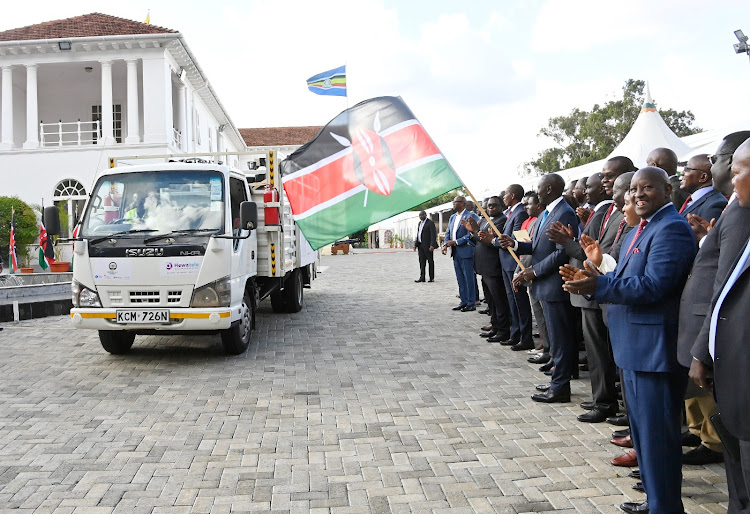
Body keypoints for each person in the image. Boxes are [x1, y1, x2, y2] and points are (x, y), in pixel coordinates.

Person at [562, 167, 697, 514]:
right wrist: (592, 275)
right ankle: (656, 501)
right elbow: (626, 276)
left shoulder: (671, 229)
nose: (638, 195)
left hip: (652, 352)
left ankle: (665, 507)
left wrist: (599, 287)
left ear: (668, 189)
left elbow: (655, 286)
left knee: (657, 439)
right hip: (634, 348)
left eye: (647, 187)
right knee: (646, 438)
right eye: (634, 189)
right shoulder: (644, 227)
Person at [690, 138, 750, 512]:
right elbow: (725, 291)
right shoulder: (739, 212)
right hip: (732, 366)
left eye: (739, 171)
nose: (731, 176)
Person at [499, 173, 579, 402]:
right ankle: (557, 380)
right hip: (546, 284)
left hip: (555, 284)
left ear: (550, 189)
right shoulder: (548, 212)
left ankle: (561, 387)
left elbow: (561, 251)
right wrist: (515, 244)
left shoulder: (564, 212)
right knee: (555, 337)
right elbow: (537, 245)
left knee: (561, 338)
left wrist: (534, 271)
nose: (536, 191)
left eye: (540, 187)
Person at [547, 172, 617, 423]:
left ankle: (605, 401)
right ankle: (602, 397)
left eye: (591, 186)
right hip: (589, 287)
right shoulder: (603, 211)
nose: (585, 191)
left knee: (600, 352)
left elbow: (597, 254)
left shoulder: (615, 212)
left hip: (597, 288)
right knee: (596, 350)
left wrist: (567, 242)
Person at [492, 184, 533, 348]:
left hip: (513, 262)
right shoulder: (511, 212)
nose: (503, 197)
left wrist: (495, 241)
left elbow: (514, 239)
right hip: (505, 263)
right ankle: (515, 333)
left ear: (514, 195)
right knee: (512, 302)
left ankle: (525, 337)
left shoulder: (520, 212)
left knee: (519, 302)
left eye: (506, 194)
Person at [465, 197, 511, 341]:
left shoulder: (501, 221)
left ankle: (503, 330)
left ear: (501, 206)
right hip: (483, 266)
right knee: (490, 301)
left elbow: (492, 241)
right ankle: (495, 326)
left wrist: (477, 233)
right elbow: (478, 238)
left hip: (494, 267)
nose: (490, 208)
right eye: (488, 206)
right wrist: (473, 231)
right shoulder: (485, 219)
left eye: (493, 206)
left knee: (499, 301)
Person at [442, 196, 480, 311]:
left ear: (462, 203)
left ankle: (471, 302)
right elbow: (448, 232)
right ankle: (463, 301)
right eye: (453, 202)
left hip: (466, 251)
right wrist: (445, 244)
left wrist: (456, 242)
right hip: (455, 252)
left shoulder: (471, 216)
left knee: (469, 278)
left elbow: (472, 234)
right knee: (460, 277)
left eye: (456, 202)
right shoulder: (453, 217)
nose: (454, 204)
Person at [678, 154, 727, 222]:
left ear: (703, 177)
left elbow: (708, 232)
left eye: (687, 169)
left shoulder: (714, 205)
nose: (682, 173)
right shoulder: (694, 199)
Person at [413, 211, 437, 283]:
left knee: (430, 261)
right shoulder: (420, 223)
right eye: (419, 215)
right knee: (421, 262)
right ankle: (422, 277)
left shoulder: (430, 223)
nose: (421, 217)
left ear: (425, 215)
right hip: (420, 246)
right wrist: (415, 244)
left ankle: (431, 277)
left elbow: (433, 234)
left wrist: (432, 245)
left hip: (428, 245)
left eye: (422, 215)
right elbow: (419, 234)